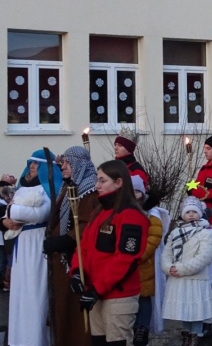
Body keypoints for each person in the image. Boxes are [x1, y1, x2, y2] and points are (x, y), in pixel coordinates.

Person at [69, 159, 149, 346]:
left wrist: (97, 289)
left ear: (119, 182)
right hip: (95, 293)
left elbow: (125, 260)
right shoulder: (99, 213)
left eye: (102, 180)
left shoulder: (130, 215)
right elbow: (84, 247)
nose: (97, 185)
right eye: (97, 180)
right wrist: (77, 272)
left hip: (118, 296)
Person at [42, 146, 99, 346]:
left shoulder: (89, 190)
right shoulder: (69, 187)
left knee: (74, 313)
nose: (63, 167)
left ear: (79, 164)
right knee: (62, 309)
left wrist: (65, 240)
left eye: (67, 162)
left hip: (77, 259)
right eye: (62, 162)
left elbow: (87, 224)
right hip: (62, 259)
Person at [3, 149, 60, 346]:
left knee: (36, 292)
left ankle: (36, 340)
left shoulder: (49, 189)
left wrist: (12, 209)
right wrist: (10, 215)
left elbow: (41, 214)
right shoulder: (21, 188)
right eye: (31, 163)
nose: (32, 166)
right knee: (20, 293)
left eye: (37, 163)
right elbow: (10, 215)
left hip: (37, 243)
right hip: (22, 243)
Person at [162, 196, 212, 346]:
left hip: (196, 279)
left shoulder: (205, 233)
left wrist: (181, 269)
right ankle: (186, 336)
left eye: (194, 211)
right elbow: (166, 254)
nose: (191, 214)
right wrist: (169, 267)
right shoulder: (175, 233)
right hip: (178, 280)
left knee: (196, 311)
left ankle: (195, 337)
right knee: (184, 310)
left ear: (200, 213)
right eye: (187, 212)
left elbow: (204, 257)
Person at [131, 176, 165, 346]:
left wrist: (142, 255)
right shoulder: (124, 211)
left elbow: (154, 237)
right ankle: (133, 327)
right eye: (131, 191)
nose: (134, 195)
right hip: (128, 262)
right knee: (132, 297)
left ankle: (142, 328)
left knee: (144, 297)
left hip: (146, 262)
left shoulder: (152, 214)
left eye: (137, 191)